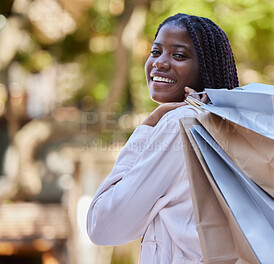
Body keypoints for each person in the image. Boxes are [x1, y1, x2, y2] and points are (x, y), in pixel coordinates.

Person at [86, 13, 239, 264]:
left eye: (179, 55)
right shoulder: (223, 120)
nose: (160, 63)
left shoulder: (180, 123)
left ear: (206, 68)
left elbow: (101, 225)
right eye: (155, 52)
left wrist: (147, 127)